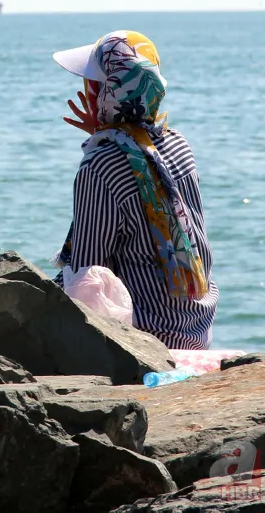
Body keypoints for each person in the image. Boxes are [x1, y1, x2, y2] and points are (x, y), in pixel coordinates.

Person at [52, 31, 218, 350]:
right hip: (195, 332)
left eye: (90, 83)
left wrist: (101, 145)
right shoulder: (178, 145)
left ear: (105, 93)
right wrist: (108, 134)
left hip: (144, 340)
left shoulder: (101, 165)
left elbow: (87, 280)